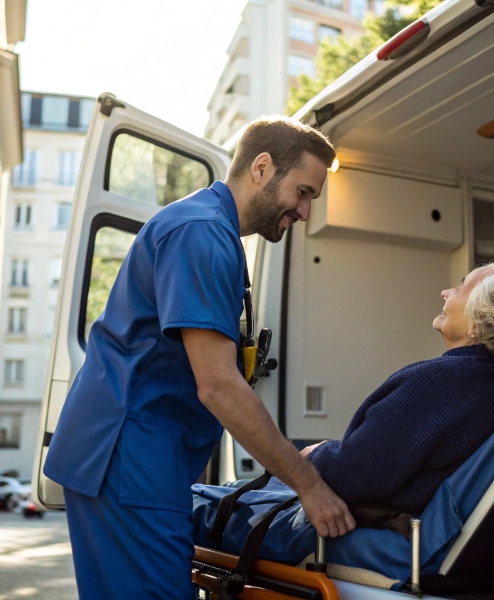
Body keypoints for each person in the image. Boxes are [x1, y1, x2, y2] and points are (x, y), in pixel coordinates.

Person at [44, 116, 356, 599]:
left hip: (134, 456)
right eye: (304, 191)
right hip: (130, 458)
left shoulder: (209, 229)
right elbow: (218, 385)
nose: (305, 211)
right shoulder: (202, 234)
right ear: (261, 167)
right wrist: (308, 486)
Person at [193, 262, 494, 556]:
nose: (446, 293)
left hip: (372, 527)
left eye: (460, 288)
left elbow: (351, 476)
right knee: (233, 488)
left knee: (193, 504)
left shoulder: (441, 383)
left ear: (478, 323)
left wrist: (317, 455)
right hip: (451, 537)